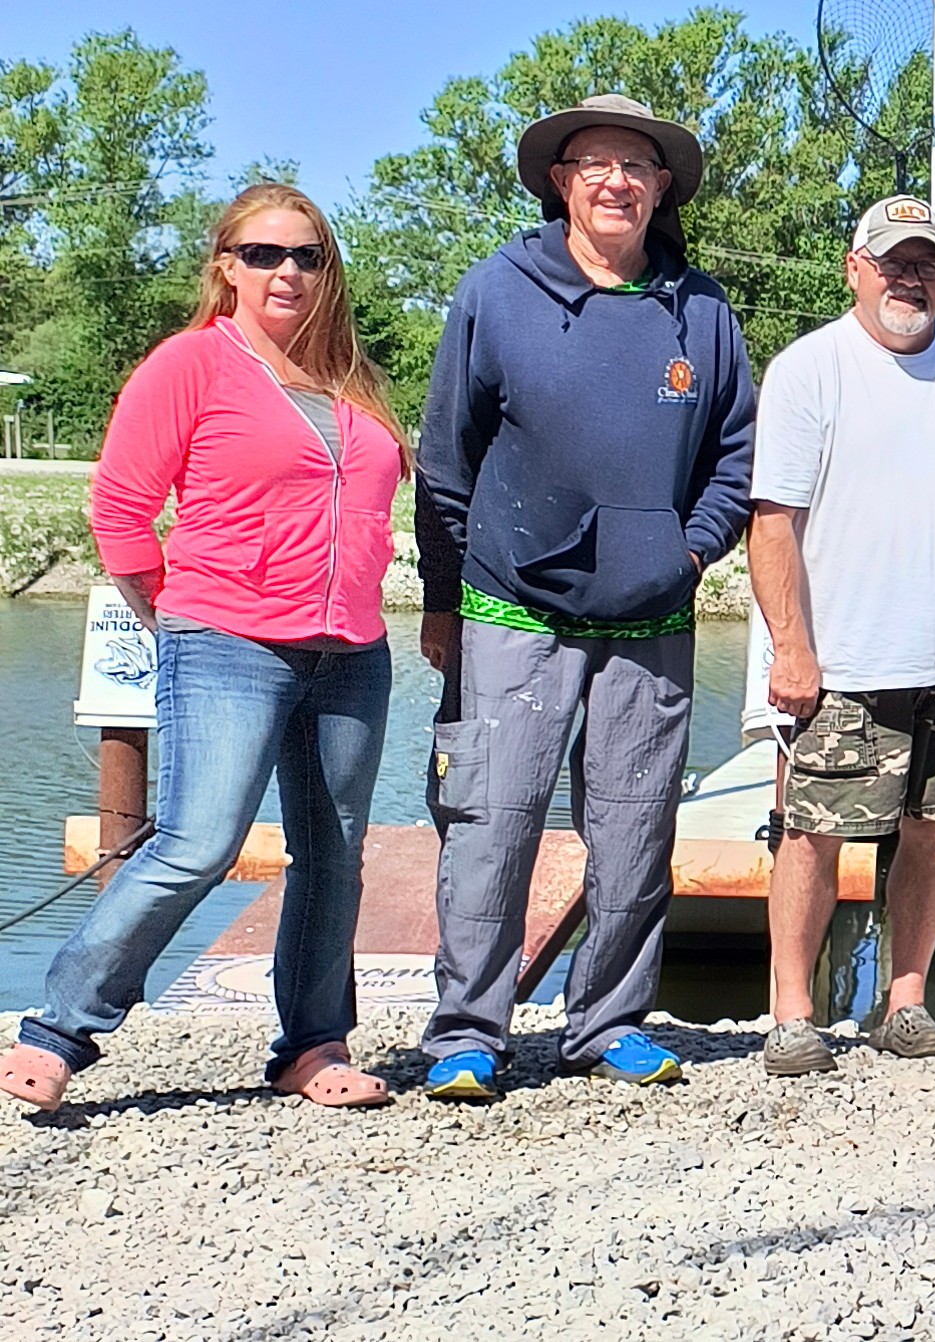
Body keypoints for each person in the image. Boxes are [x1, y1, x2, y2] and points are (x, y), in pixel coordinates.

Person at [0, 184, 405, 1112]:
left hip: (351, 647)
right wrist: (173, 611)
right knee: (196, 842)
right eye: (264, 254)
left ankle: (313, 1045)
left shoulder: (352, 379)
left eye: (308, 255)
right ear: (226, 265)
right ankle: (59, 1028)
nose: (289, 272)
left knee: (334, 856)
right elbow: (121, 507)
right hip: (228, 637)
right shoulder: (192, 363)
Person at [413, 94, 756, 1100]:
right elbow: (446, 458)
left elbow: (734, 458)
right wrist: (453, 590)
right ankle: (466, 1031)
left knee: (636, 831)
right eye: (595, 164)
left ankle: (605, 1022)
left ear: (662, 189)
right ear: (561, 181)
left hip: (653, 617)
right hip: (512, 612)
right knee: (492, 821)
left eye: (635, 168)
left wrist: (689, 555)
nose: (616, 182)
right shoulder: (497, 291)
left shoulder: (703, 311)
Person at [750, 197, 935, 1075]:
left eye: (925, 263)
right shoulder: (809, 369)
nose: (908, 278)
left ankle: (905, 1001)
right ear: (855, 268)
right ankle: (793, 1014)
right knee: (811, 834)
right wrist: (792, 648)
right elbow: (772, 524)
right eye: (891, 262)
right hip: (841, 661)